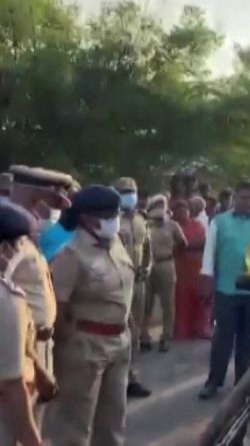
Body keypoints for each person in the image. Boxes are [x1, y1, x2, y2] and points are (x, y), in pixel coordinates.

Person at [46, 186, 135, 446]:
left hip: (119, 344)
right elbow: (57, 311)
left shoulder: (116, 244)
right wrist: (70, 347)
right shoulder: (70, 254)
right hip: (84, 347)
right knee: (75, 426)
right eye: (107, 216)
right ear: (87, 218)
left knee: (113, 423)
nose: (114, 220)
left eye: (115, 214)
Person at [198, 179, 250, 400]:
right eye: (244, 198)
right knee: (223, 337)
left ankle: (243, 384)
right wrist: (207, 278)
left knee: (248, 339)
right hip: (226, 289)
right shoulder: (219, 222)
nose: (248, 202)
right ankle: (214, 382)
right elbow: (209, 253)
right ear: (235, 198)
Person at [4, 167, 68, 433]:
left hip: (39, 342)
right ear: (36, 195)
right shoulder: (9, 231)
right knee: (16, 421)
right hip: (21, 347)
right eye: (53, 194)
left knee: (35, 413)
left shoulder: (27, 227)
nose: (58, 200)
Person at [0, 203, 43, 446]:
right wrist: (32, 441)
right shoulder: (6, 300)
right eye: (18, 246)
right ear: (5, 248)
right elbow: (10, 388)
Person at [113, 177, 152, 399]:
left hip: (138, 282)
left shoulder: (140, 219)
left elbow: (147, 248)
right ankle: (115, 379)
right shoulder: (110, 219)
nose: (129, 195)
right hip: (117, 284)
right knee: (118, 332)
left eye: (131, 191)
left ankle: (131, 378)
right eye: (124, 191)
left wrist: (147, 266)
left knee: (135, 332)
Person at [141, 196, 185, 352]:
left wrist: (170, 253)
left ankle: (166, 336)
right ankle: (144, 336)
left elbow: (182, 243)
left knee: (168, 303)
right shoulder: (146, 225)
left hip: (166, 264)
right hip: (148, 266)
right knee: (146, 303)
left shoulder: (172, 225)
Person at [173, 197, 210, 340]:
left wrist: (186, 245)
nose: (183, 213)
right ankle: (183, 331)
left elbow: (204, 242)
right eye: (179, 211)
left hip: (196, 265)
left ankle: (200, 329)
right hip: (180, 266)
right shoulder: (174, 226)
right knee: (182, 298)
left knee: (198, 297)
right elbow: (174, 247)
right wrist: (189, 245)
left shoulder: (198, 225)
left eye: (185, 210)